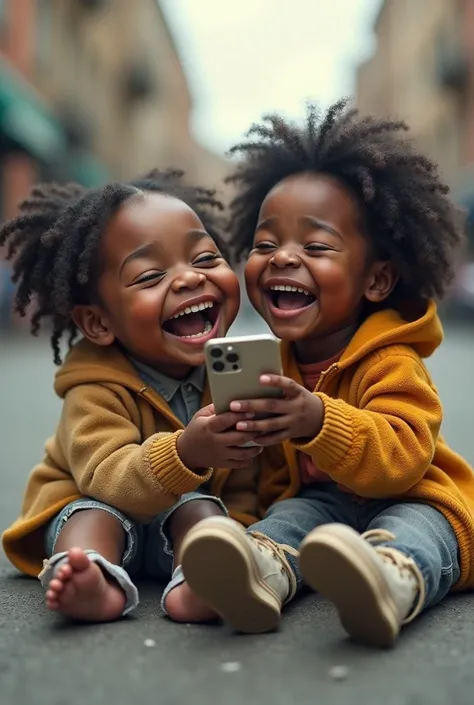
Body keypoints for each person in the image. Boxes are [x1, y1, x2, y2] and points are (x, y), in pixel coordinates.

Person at [180, 99, 474, 647]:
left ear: (377, 280)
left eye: (315, 246)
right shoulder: (268, 364)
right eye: (265, 244)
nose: (283, 258)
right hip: (326, 507)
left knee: (420, 531)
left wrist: (317, 418)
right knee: (288, 518)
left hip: (413, 498)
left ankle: (390, 579)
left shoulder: (390, 358)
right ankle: (257, 572)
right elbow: (262, 478)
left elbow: (402, 460)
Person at [1, 168, 269, 624]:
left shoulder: (236, 368)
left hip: (181, 520)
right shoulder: (95, 384)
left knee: (203, 512)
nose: (187, 279)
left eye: (205, 259)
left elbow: (253, 482)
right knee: (91, 516)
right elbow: (105, 475)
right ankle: (89, 577)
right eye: (150, 277)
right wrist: (186, 451)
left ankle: (200, 580)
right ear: (99, 323)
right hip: (104, 506)